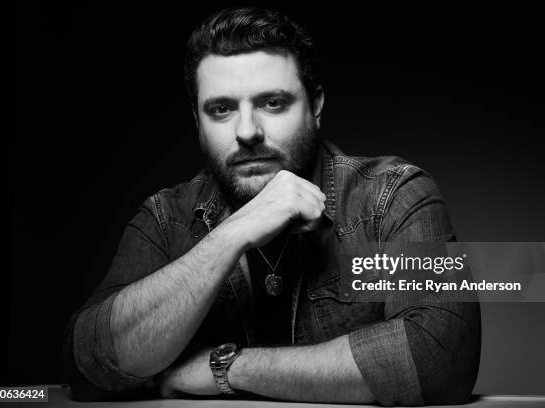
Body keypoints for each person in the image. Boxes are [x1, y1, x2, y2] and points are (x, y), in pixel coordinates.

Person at [64, 6, 481, 406]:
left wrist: (225, 369)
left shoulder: (393, 195)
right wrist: (234, 233)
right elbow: (89, 368)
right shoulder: (164, 218)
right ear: (197, 121)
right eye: (222, 109)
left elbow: (438, 357)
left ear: (315, 105)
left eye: (273, 103)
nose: (247, 131)